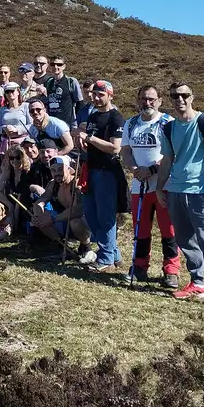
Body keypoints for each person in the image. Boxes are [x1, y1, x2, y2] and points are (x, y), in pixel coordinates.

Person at [156, 82, 204, 308]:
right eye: (174, 96)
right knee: (185, 240)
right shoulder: (169, 127)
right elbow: (167, 160)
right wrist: (160, 187)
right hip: (176, 190)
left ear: (192, 97)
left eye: (184, 95)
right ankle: (198, 282)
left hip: (201, 191)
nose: (179, 99)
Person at [122, 85, 180, 288]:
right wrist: (134, 169)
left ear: (159, 101)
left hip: (165, 185)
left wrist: (153, 169)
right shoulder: (130, 123)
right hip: (139, 186)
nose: (147, 103)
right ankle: (139, 267)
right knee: (141, 229)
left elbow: (172, 153)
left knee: (168, 229)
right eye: (143, 99)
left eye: (151, 99)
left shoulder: (168, 122)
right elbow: (126, 151)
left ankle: (171, 270)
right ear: (138, 100)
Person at [76, 80, 126, 272]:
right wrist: (82, 142)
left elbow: (115, 147)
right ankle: (114, 254)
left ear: (110, 95)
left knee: (105, 216)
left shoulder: (116, 118)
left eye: (100, 95)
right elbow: (92, 144)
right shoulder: (93, 116)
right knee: (90, 214)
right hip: (91, 169)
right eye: (94, 94)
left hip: (107, 171)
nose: (96, 98)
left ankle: (106, 258)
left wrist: (89, 138)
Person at [31, 156, 91, 254]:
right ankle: (61, 244)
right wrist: (39, 215)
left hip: (85, 223)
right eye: (53, 170)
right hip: (64, 221)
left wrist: (53, 219)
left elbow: (79, 210)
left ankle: (86, 247)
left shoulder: (77, 184)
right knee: (40, 219)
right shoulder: (53, 184)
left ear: (69, 169)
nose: (57, 173)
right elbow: (40, 201)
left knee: (75, 222)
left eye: (60, 169)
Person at [43, 55, 84, 129]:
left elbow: (80, 103)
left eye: (59, 64)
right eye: (52, 64)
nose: (55, 67)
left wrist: (78, 123)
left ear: (64, 66)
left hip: (67, 124)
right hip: (52, 122)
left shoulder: (71, 81)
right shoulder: (48, 82)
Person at [0, 83, 31, 156]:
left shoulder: (26, 106)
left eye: (12, 91)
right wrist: (4, 128)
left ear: (18, 92)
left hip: (23, 142)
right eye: (7, 92)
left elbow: (31, 125)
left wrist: (16, 129)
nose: (10, 93)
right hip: (6, 143)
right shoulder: (2, 109)